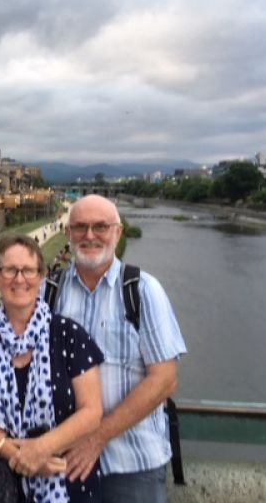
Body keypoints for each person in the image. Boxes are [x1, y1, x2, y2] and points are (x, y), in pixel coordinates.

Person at [56, 195, 186, 503]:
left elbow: (165, 379)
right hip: (64, 460)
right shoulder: (52, 291)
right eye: (80, 227)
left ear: (118, 232)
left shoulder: (142, 290)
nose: (89, 235)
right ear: (68, 233)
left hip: (133, 464)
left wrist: (97, 438)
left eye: (101, 226)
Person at [0, 234, 104, 502]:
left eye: (27, 270)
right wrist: (17, 455)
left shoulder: (69, 335)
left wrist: (42, 450)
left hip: (67, 479)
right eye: (9, 270)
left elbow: (92, 411)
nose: (19, 278)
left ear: (41, 275)